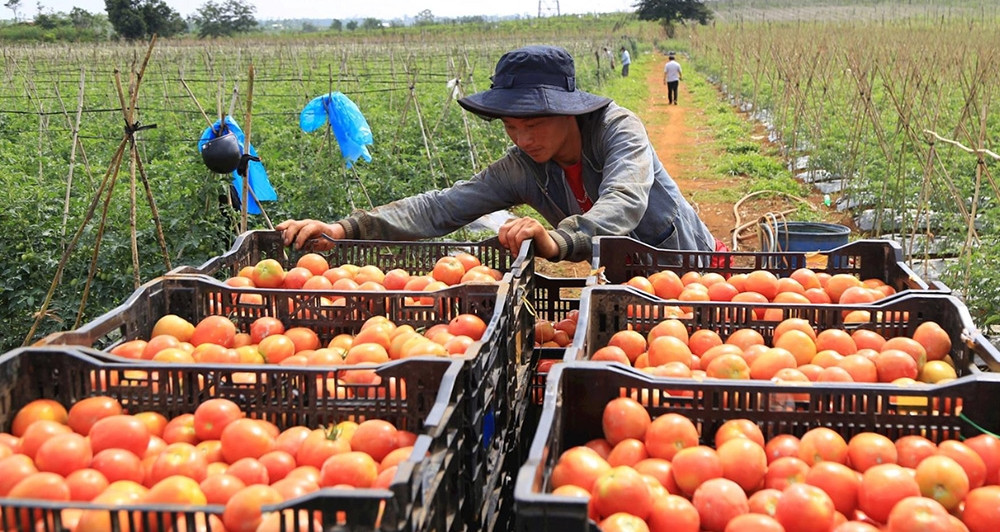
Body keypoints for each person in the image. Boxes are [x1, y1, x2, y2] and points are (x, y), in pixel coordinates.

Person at [278, 45, 720, 262]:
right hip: (627, 284)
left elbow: (624, 198)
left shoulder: (617, 129)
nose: (522, 139)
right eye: (511, 127)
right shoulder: (523, 169)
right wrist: (347, 227)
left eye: (533, 124)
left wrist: (562, 240)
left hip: (693, 271)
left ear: (566, 112)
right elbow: (443, 206)